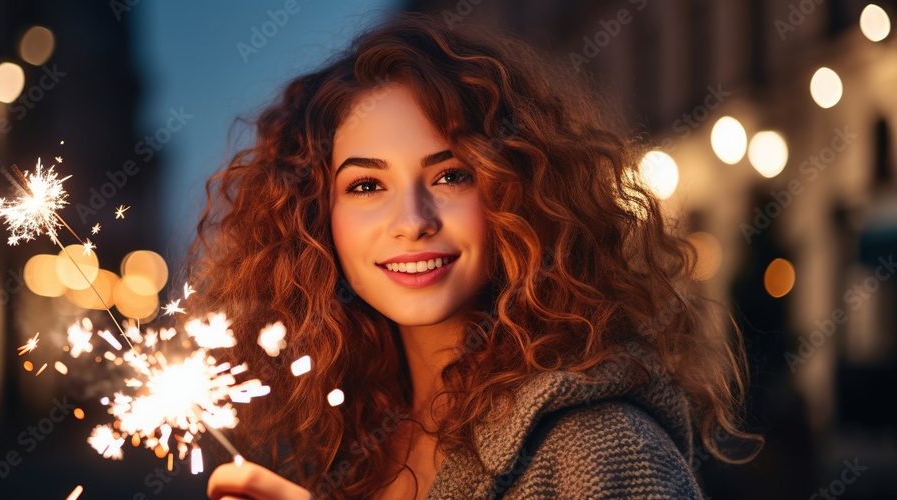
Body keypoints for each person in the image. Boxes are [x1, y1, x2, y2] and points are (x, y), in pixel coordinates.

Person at [191, 10, 763, 500]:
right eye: (366, 186)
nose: (413, 221)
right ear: (319, 221)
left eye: (450, 175)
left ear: (512, 192)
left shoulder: (597, 448)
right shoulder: (359, 443)